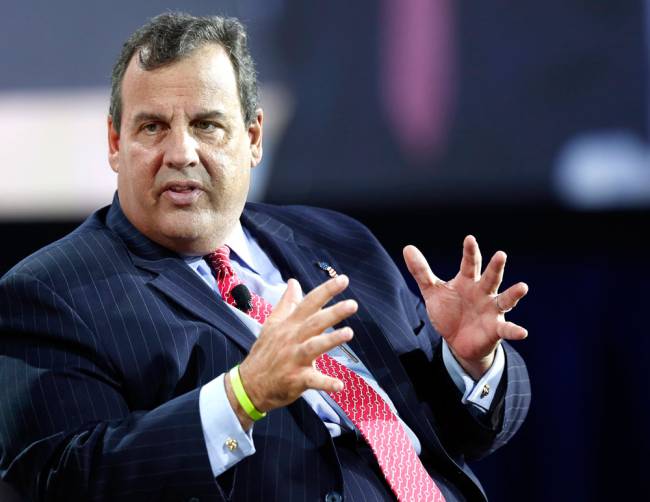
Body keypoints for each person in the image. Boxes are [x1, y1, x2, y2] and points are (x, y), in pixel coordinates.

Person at [0, 12, 531, 502]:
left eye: (207, 125)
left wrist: (465, 365)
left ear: (253, 138)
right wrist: (242, 396)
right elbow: (55, 481)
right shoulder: (51, 292)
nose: (180, 152)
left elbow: (463, 436)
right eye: (152, 127)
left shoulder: (342, 242)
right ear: (116, 142)